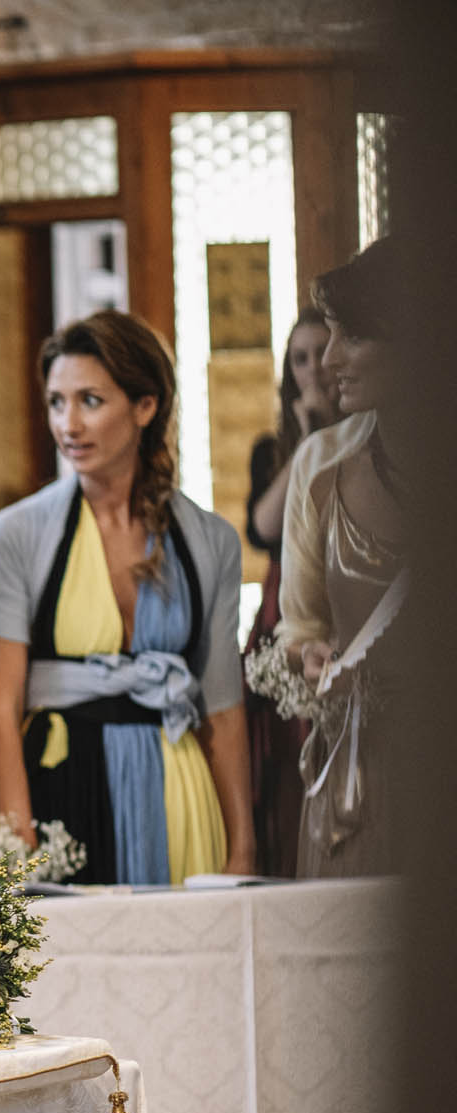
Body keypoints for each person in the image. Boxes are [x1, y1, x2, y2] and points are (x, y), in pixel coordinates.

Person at [0, 311, 254, 884]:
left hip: (181, 797)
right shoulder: (16, 536)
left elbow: (223, 711)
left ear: (145, 407)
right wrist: (14, 845)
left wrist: (243, 849)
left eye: (90, 401)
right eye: (56, 402)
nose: (68, 425)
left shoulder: (210, 541)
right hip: (61, 798)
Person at [280, 239, 407, 878]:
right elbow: (299, 623)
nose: (328, 360)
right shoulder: (321, 469)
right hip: (360, 772)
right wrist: (308, 656)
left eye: (349, 337)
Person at [242, 311, 339, 876]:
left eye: (321, 353)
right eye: (298, 358)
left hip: (340, 596)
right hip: (287, 605)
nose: (313, 369)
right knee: (285, 757)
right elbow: (262, 527)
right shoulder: (272, 449)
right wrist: (308, 439)